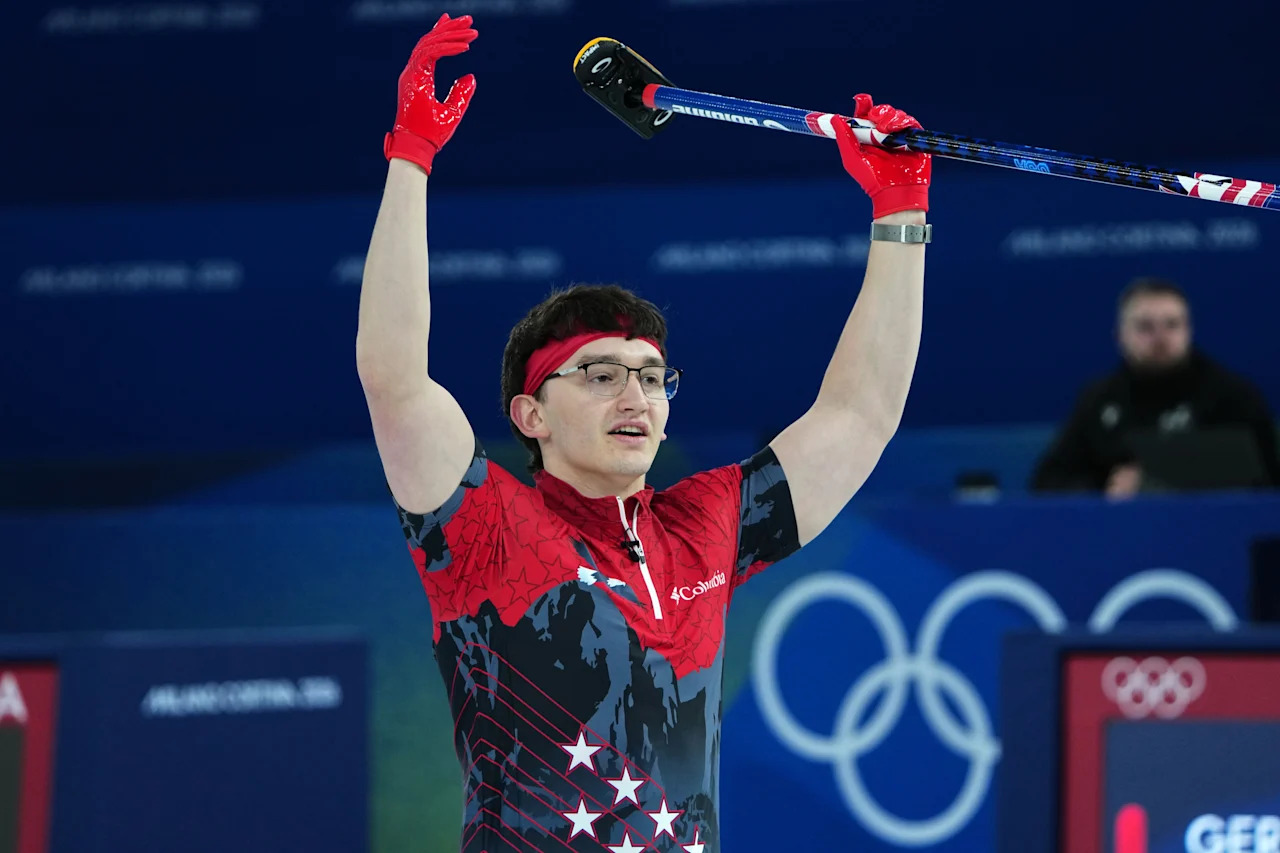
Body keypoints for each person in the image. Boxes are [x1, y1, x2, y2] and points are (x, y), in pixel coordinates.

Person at [355, 14, 929, 853]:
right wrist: (411, 156)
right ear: (530, 414)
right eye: (599, 373)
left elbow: (861, 415)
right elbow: (396, 379)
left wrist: (900, 213)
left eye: (653, 376)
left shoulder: (705, 528)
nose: (637, 394)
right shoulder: (487, 526)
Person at [1031, 277, 1280, 496]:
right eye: (1145, 327)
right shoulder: (1099, 399)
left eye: (1172, 325)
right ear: (1119, 336)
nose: (1160, 338)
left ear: (1189, 331)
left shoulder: (1232, 396)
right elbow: (1048, 481)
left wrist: (1157, 484)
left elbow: (1264, 482)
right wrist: (1107, 486)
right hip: (1120, 533)